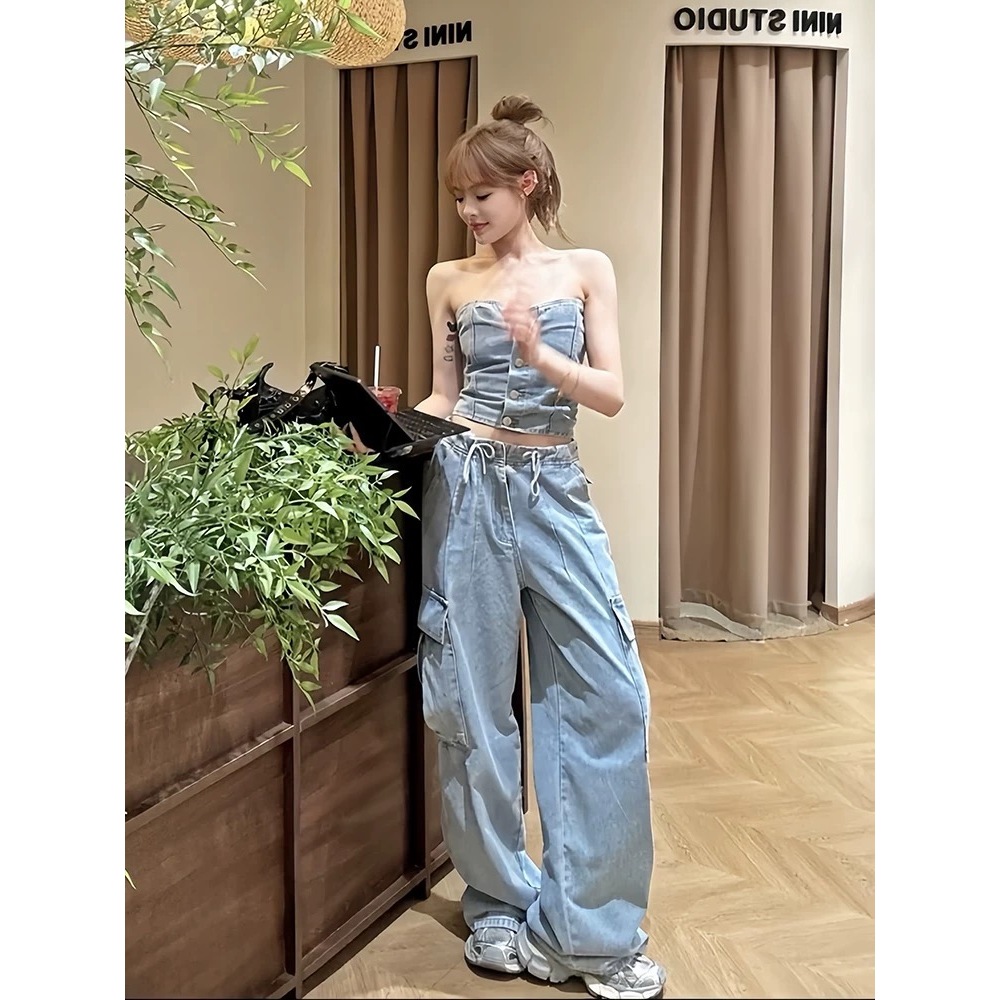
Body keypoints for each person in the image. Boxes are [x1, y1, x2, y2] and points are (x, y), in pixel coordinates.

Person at [411, 95, 666, 1000]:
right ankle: (497, 901)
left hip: (553, 486)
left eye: (480, 195)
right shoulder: (448, 279)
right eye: (458, 198)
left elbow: (611, 394)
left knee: (609, 695)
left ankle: (589, 932)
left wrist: (541, 354)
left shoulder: (585, 269)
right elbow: (445, 399)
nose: (467, 213)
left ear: (526, 184)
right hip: (466, 489)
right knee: (472, 703)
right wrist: (387, 430)